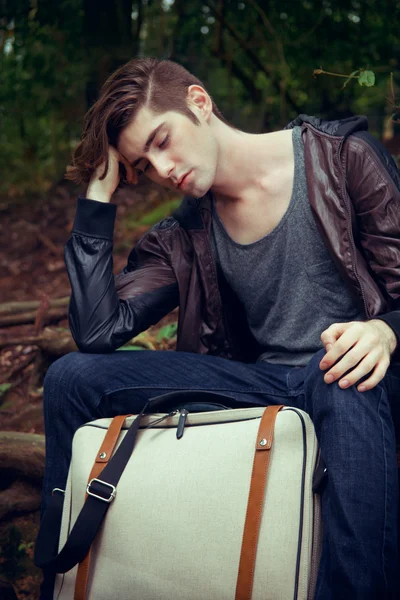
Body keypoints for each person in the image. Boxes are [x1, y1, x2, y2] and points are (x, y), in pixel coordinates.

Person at [39, 57, 400, 599]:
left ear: (200, 102)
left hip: (357, 373)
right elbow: (97, 330)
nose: (163, 169)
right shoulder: (187, 229)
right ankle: (60, 577)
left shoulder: (342, 160)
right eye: (144, 162)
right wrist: (95, 201)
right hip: (264, 384)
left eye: (163, 140)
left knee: (339, 376)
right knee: (71, 377)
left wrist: (385, 331)